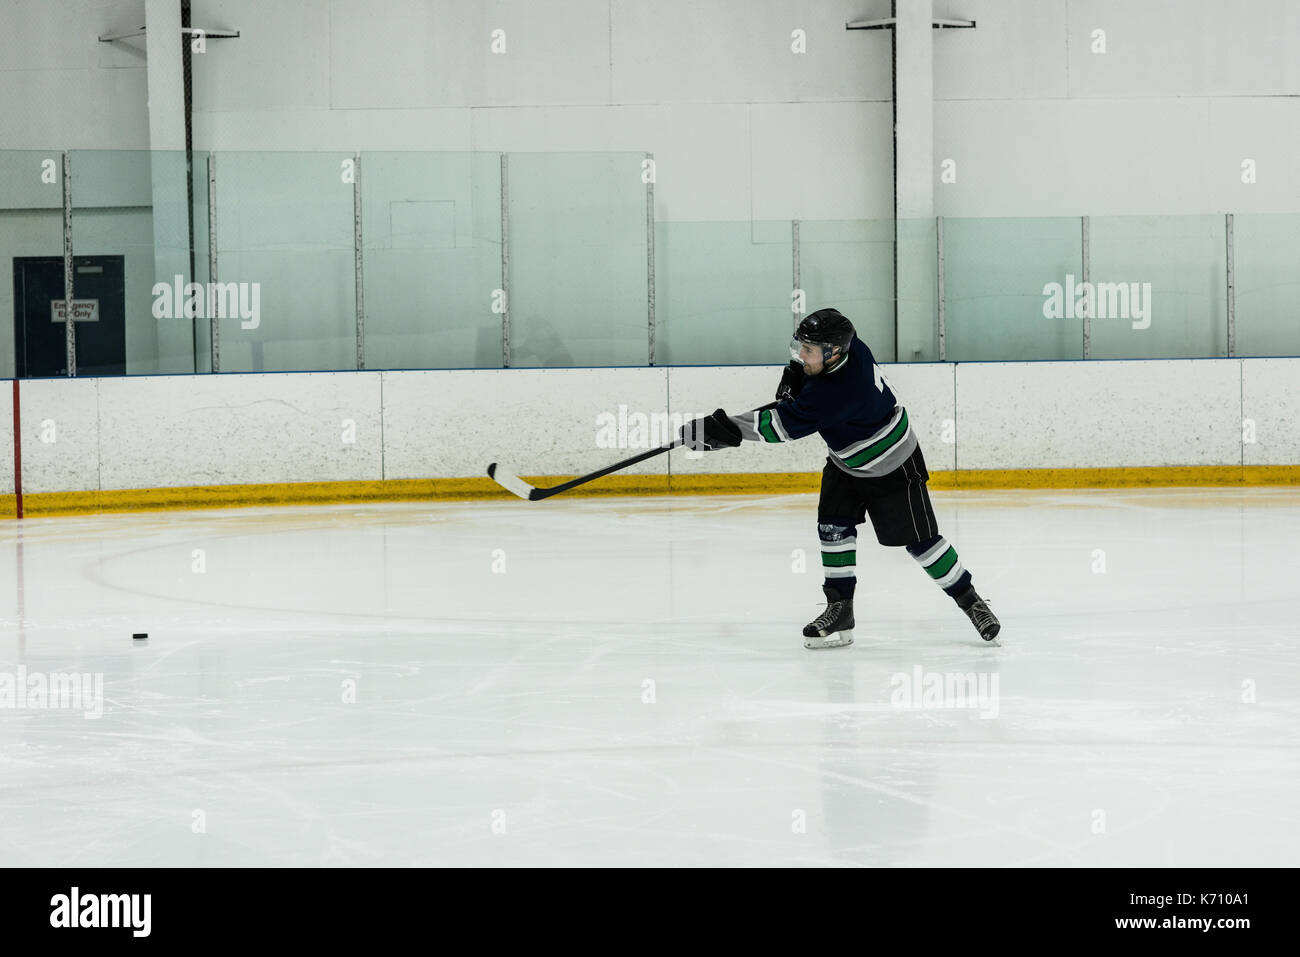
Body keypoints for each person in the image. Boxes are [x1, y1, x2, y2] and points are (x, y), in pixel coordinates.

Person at [679, 307, 1000, 649]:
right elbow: (803, 391)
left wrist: (722, 429)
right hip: (846, 462)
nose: (801, 355)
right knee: (833, 529)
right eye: (799, 347)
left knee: (922, 543)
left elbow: (780, 427)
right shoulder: (851, 348)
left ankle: (971, 601)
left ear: (833, 353)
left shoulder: (840, 392)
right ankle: (840, 609)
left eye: (808, 351)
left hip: (893, 465)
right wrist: (797, 374)